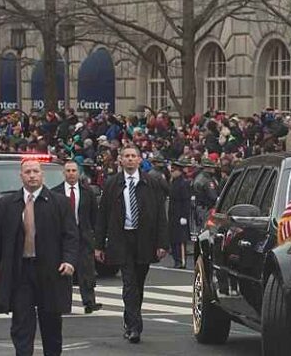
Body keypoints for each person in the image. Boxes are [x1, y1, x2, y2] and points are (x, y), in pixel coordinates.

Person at [0, 159, 78, 356]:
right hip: (20, 270)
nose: (32, 175)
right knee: (21, 318)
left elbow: (71, 236)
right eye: (27, 172)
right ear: (21, 176)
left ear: (42, 175)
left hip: (50, 269)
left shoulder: (59, 203)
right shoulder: (9, 203)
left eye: (36, 171)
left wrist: (69, 260)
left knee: (50, 316)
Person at [95, 145, 169, 344]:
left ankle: (130, 321)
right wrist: (99, 244)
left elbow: (161, 214)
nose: (129, 159)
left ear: (139, 160)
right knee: (129, 283)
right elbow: (103, 215)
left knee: (139, 283)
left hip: (144, 239)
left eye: (133, 156)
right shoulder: (112, 184)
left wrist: (162, 243)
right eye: (126, 156)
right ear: (120, 160)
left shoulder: (151, 182)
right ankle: (135, 326)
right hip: (121, 238)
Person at [52, 160, 101, 314]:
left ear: (78, 173)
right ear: (63, 173)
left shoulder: (88, 192)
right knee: (64, 271)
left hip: (83, 236)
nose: (71, 174)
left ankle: (89, 302)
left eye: (74, 171)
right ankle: (63, 303)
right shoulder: (55, 193)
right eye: (68, 171)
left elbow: (94, 217)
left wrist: (94, 236)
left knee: (86, 270)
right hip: (63, 238)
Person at [168, 159, 192, 269]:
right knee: (173, 238)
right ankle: (176, 259)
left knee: (180, 239)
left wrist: (184, 216)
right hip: (173, 214)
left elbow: (186, 200)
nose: (172, 172)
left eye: (174, 170)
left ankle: (181, 260)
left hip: (180, 214)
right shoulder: (173, 182)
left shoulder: (183, 184)